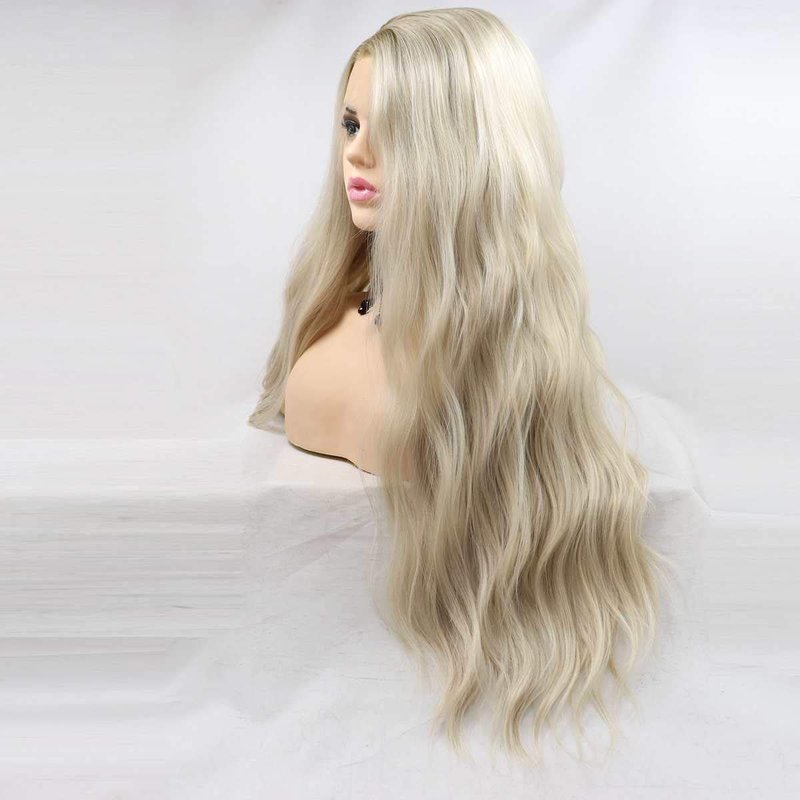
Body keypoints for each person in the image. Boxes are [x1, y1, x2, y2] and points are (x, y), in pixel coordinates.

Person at [248, 8, 673, 761]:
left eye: (395, 131)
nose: (358, 153)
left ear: (467, 152)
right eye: (351, 124)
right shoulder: (330, 321)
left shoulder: (501, 378)